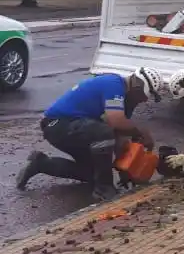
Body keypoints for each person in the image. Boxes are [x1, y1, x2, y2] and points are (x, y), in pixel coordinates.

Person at [16, 67, 162, 201]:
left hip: (72, 128)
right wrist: (140, 131)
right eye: (143, 96)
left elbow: (120, 137)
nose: (143, 101)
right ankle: (103, 189)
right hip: (57, 124)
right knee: (103, 132)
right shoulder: (114, 84)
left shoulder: (127, 100)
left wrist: (125, 169)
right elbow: (115, 121)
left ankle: (40, 163)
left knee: (93, 173)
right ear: (137, 87)